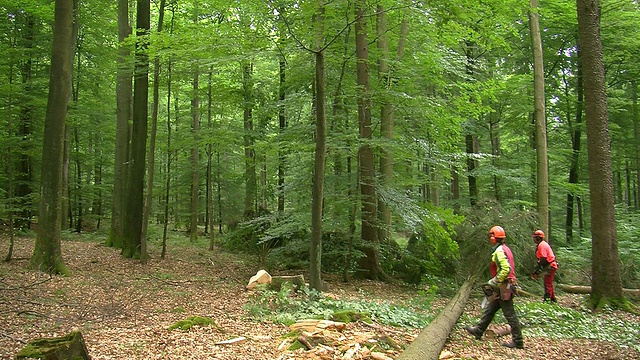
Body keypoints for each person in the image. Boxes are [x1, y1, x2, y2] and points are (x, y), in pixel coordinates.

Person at [465, 225, 524, 349]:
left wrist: (494, 281)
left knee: (510, 314)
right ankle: (479, 330)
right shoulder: (505, 248)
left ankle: (518, 341)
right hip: (503, 286)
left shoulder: (499, 251)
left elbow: (506, 269)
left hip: (504, 286)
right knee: (491, 309)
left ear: (493, 238)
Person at [530, 229, 558, 303]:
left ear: (538, 238)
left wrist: (537, 270)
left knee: (547, 283)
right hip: (549, 265)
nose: (533, 239)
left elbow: (543, 259)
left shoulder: (542, 245)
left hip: (550, 265)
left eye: (534, 238)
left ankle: (547, 299)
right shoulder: (542, 244)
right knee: (549, 282)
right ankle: (553, 299)